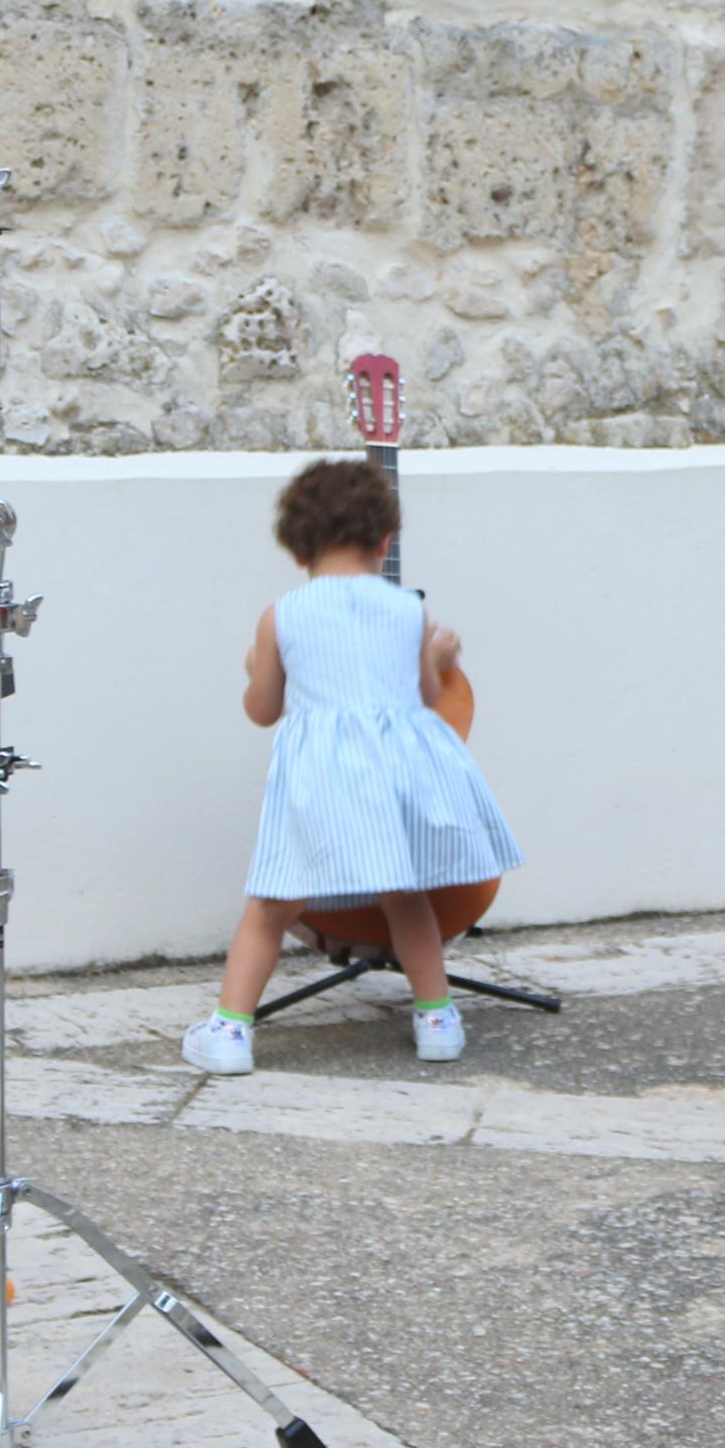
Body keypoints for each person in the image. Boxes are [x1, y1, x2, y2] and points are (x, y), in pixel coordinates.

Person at [184, 459, 524, 1075]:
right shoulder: (409, 612)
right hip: (401, 772)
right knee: (406, 895)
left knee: (272, 903)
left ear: (297, 549)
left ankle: (230, 1031)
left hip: (324, 777)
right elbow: (426, 696)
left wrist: (253, 667)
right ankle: (438, 1020)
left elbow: (263, 711)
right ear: (385, 541)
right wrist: (440, 654)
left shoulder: (283, 614)